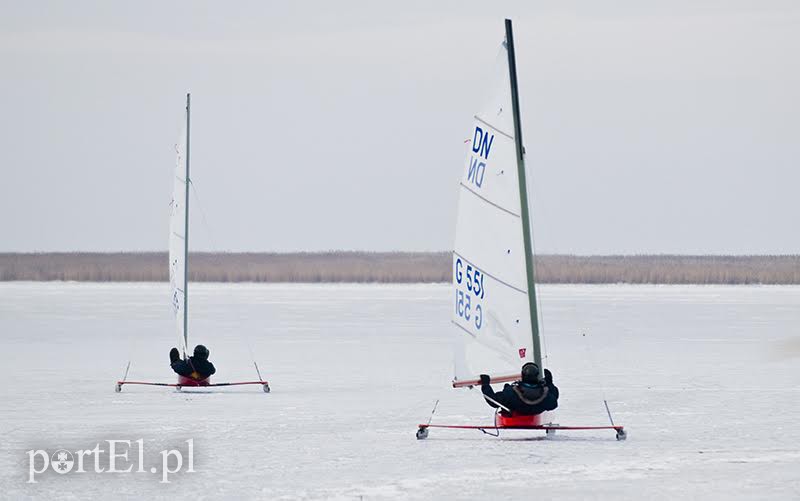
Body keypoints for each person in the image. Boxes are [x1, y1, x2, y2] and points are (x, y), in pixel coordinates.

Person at [480, 362, 558, 415]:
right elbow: (553, 404)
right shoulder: (545, 392)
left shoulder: (512, 392)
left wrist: (485, 385)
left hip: (518, 411)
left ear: (522, 375)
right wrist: (549, 383)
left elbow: (493, 401)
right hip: (536, 411)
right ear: (537, 375)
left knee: (506, 398)